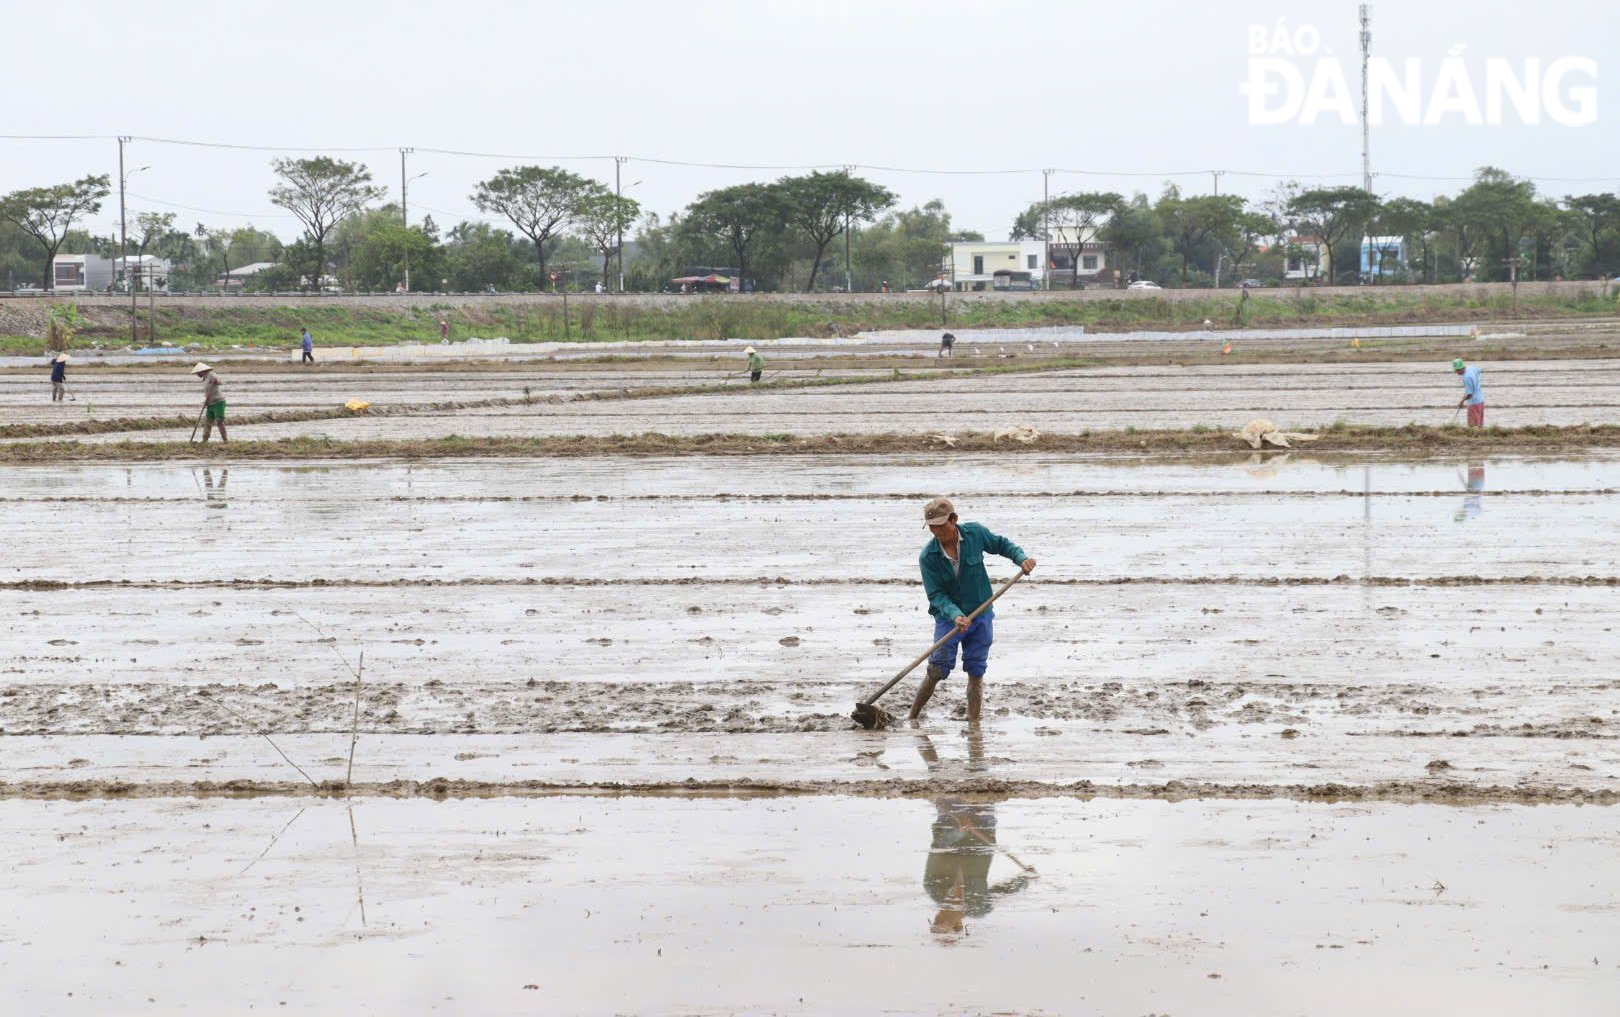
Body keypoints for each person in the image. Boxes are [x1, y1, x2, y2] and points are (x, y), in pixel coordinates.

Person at [912, 497, 1036, 724]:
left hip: (981, 613)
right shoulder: (928, 557)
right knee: (936, 670)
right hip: (949, 619)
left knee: (976, 670)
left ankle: (974, 723)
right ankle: (911, 717)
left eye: (941, 525)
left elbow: (1002, 545)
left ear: (954, 519)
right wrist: (955, 614)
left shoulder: (975, 534)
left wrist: (1021, 559)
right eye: (932, 527)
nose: (937, 532)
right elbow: (936, 595)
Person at [191, 362, 227, 443]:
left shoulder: (211, 375)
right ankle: (205, 440)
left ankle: (225, 440)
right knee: (208, 422)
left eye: (198, 373)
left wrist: (217, 381)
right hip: (210, 403)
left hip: (218, 402)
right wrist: (205, 402)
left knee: (219, 421)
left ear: (202, 371)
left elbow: (222, 382)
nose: (197, 374)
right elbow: (207, 393)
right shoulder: (204, 379)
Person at [1453, 357, 1484, 426]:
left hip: (1474, 403)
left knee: (1472, 426)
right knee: (1479, 425)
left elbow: (1470, 394)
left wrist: (1462, 401)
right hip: (1481, 400)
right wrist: (1474, 383)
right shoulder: (1471, 368)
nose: (1457, 373)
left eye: (1457, 371)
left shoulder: (1466, 377)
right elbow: (1479, 371)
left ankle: (1473, 436)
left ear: (1461, 368)